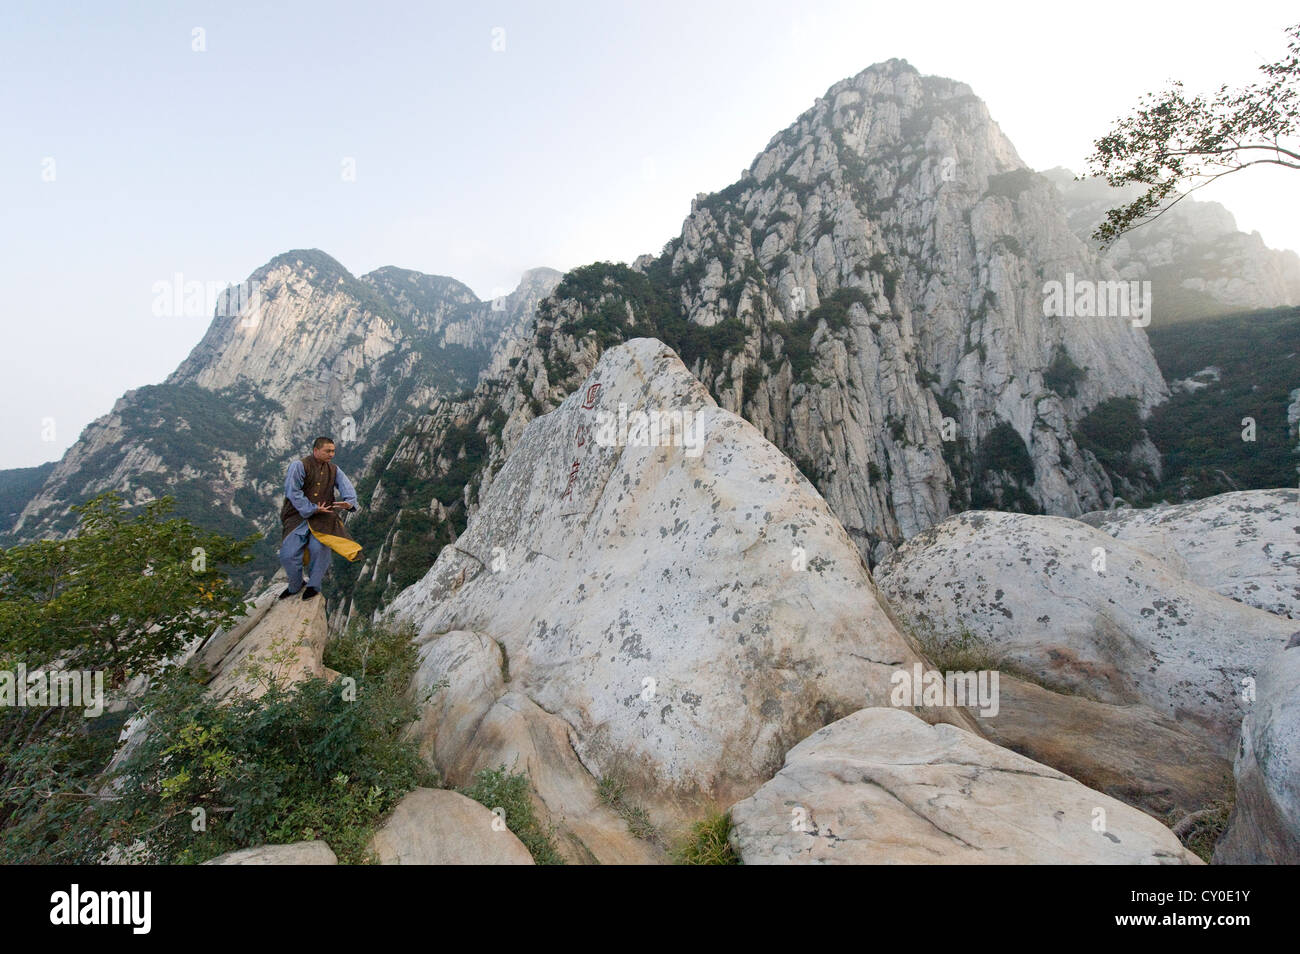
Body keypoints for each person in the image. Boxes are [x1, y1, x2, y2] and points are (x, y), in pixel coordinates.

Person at [278, 436, 362, 600]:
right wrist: (312, 508)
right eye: (328, 451)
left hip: (324, 518)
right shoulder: (299, 466)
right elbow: (292, 491)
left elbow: (348, 488)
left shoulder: (334, 469)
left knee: (319, 550)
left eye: (333, 451)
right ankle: (295, 585)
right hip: (297, 517)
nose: (331, 454)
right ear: (316, 450)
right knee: (288, 554)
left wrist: (349, 503)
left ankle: (313, 586)